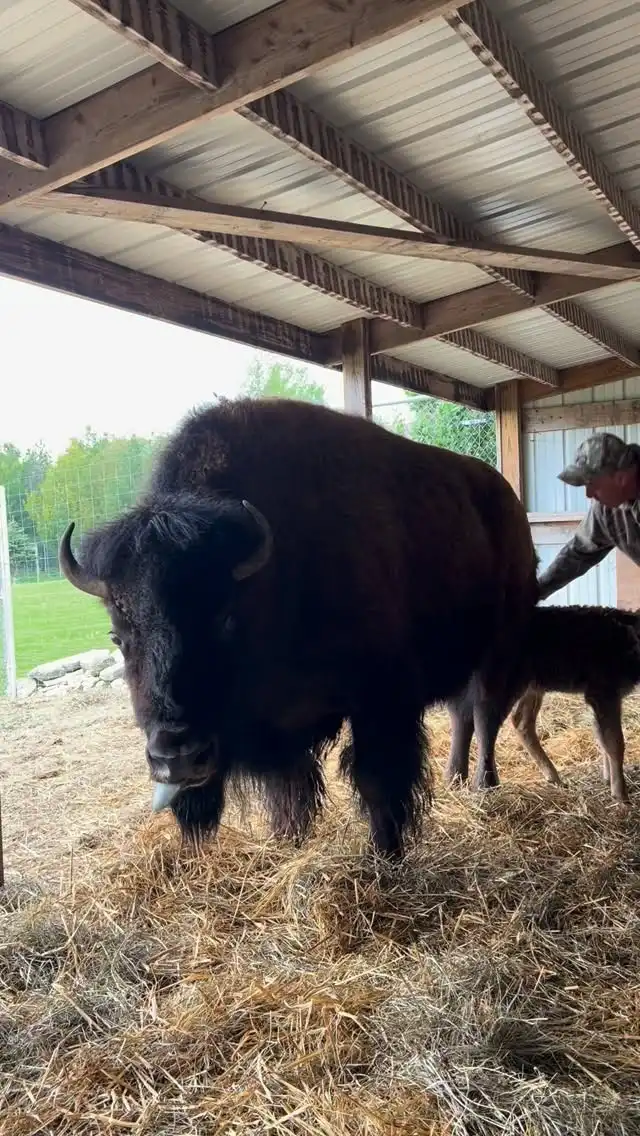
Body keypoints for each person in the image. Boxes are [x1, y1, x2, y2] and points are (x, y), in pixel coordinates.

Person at [537, 432, 640, 601]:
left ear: (621, 478)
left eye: (592, 484)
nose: (588, 493)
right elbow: (578, 553)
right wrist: (535, 592)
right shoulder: (607, 511)